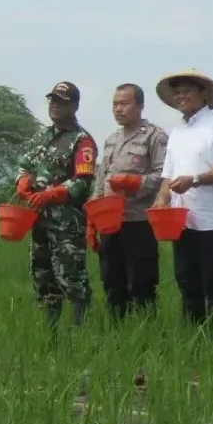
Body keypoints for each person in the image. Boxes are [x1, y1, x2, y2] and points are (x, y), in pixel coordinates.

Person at [153, 69, 213, 324]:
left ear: (202, 94)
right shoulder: (177, 133)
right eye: (177, 93)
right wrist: (161, 201)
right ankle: (193, 335)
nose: (181, 97)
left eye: (187, 91)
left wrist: (195, 180)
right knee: (186, 280)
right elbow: (169, 175)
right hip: (182, 221)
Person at [15, 81, 97, 332]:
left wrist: (54, 194)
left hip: (66, 222)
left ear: (74, 105)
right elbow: (24, 163)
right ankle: (48, 331)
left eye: (61, 101)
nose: (54, 105)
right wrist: (22, 179)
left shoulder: (82, 141)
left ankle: (78, 332)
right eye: (52, 100)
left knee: (71, 276)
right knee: (42, 275)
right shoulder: (42, 135)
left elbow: (83, 180)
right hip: (38, 218)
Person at [90, 83, 168, 320]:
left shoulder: (155, 136)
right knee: (112, 282)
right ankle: (117, 334)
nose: (118, 109)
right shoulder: (111, 140)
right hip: (110, 223)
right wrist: (92, 219)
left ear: (140, 106)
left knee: (141, 284)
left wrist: (135, 183)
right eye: (115, 104)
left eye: (124, 103)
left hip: (139, 221)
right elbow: (101, 180)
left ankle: (145, 334)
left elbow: (164, 175)